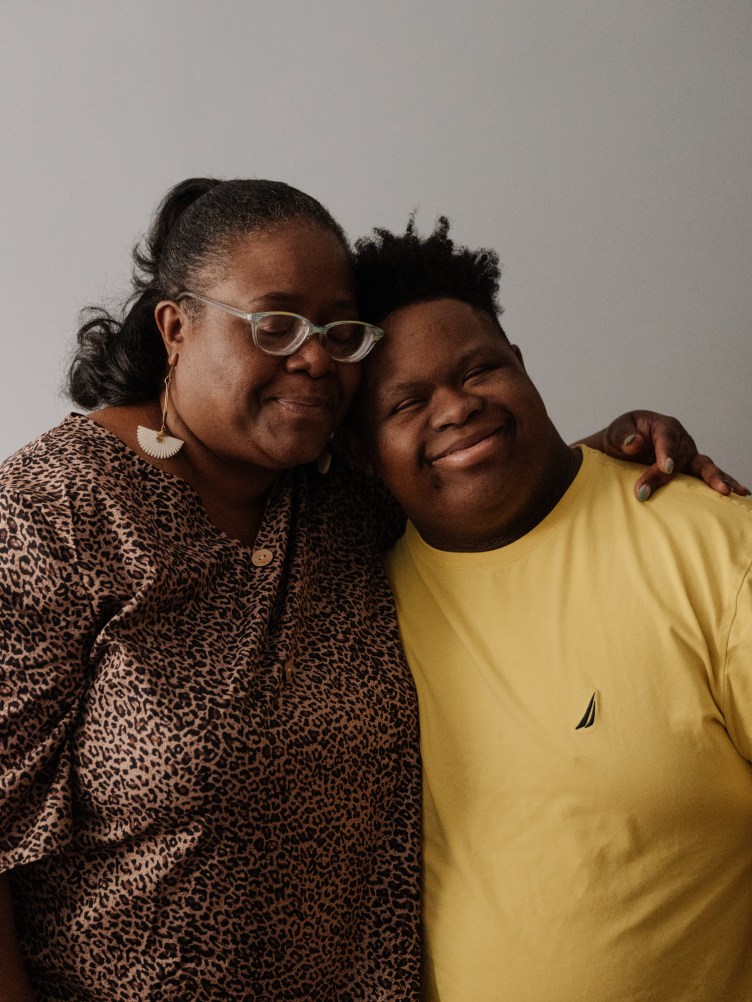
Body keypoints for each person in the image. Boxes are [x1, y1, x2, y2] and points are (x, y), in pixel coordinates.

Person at [0, 179, 738, 1002]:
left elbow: (474, 465)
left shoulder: (342, 498)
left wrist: (603, 453)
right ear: (176, 326)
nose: (314, 357)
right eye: (275, 323)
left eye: (336, 332)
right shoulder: (51, 514)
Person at [350, 218, 752, 1001]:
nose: (457, 408)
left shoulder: (712, 545)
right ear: (362, 452)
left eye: (479, 370)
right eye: (407, 402)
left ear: (522, 366)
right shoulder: (353, 610)